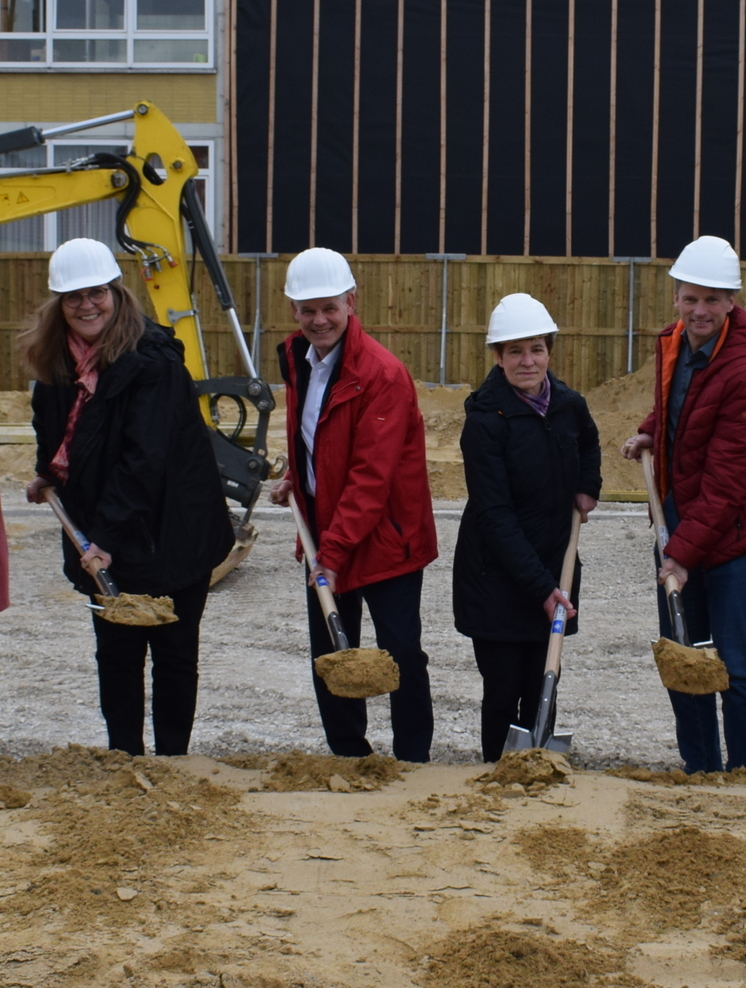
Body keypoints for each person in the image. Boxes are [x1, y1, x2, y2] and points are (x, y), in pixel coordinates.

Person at [22, 238, 233, 756]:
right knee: (115, 652)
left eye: (96, 293)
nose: (86, 305)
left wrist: (106, 538)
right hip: (106, 527)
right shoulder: (57, 363)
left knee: (174, 651)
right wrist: (47, 472)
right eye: (73, 297)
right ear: (59, 304)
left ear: (117, 292)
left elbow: (145, 459)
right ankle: (124, 757)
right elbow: (53, 428)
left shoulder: (152, 363)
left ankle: (172, 761)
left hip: (172, 529)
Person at [621, 236, 746, 775]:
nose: (700, 311)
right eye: (691, 298)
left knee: (733, 664)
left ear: (732, 303)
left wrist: (681, 555)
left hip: (732, 535)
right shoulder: (674, 344)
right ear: (676, 298)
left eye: (713, 300)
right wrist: (651, 432)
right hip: (680, 527)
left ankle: (742, 776)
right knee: (684, 658)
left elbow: (729, 482)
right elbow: (681, 407)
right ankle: (700, 768)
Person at [269, 248, 437, 762]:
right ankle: (349, 753)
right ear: (294, 310)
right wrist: (298, 481)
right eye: (307, 309)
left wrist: (332, 555)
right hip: (328, 534)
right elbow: (318, 439)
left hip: (387, 537)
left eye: (329, 308)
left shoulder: (381, 374)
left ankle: (412, 758)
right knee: (332, 651)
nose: (319, 320)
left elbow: (371, 477)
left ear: (351, 302)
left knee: (400, 651)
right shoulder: (300, 358)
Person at [452, 293, 601, 761]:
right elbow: (494, 515)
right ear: (497, 357)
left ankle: (537, 763)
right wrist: (542, 588)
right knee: (503, 686)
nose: (527, 361)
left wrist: (587, 485)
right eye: (514, 351)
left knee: (544, 681)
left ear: (549, 351)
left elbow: (590, 442)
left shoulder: (568, 405)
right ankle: (499, 767)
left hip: (554, 565)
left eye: (536, 349)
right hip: (495, 577)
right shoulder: (484, 420)